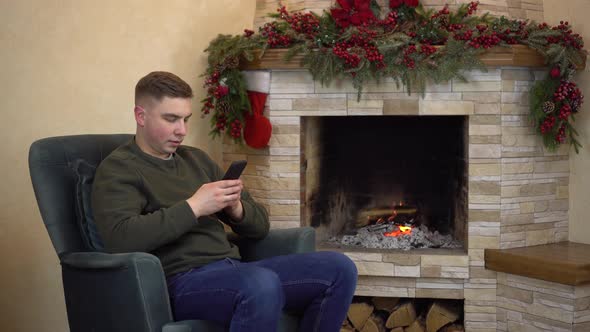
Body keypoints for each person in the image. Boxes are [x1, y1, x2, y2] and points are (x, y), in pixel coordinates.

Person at [92, 71, 358, 332]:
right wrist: (195, 206)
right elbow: (120, 239)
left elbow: (261, 227)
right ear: (141, 116)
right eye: (171, 119)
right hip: (179, 282)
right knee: (259, 283)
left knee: (338, 269)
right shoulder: (118, 169)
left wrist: (236, 209)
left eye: (186, 119)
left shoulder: (196, 160)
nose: (181, 130)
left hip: (233, 270)